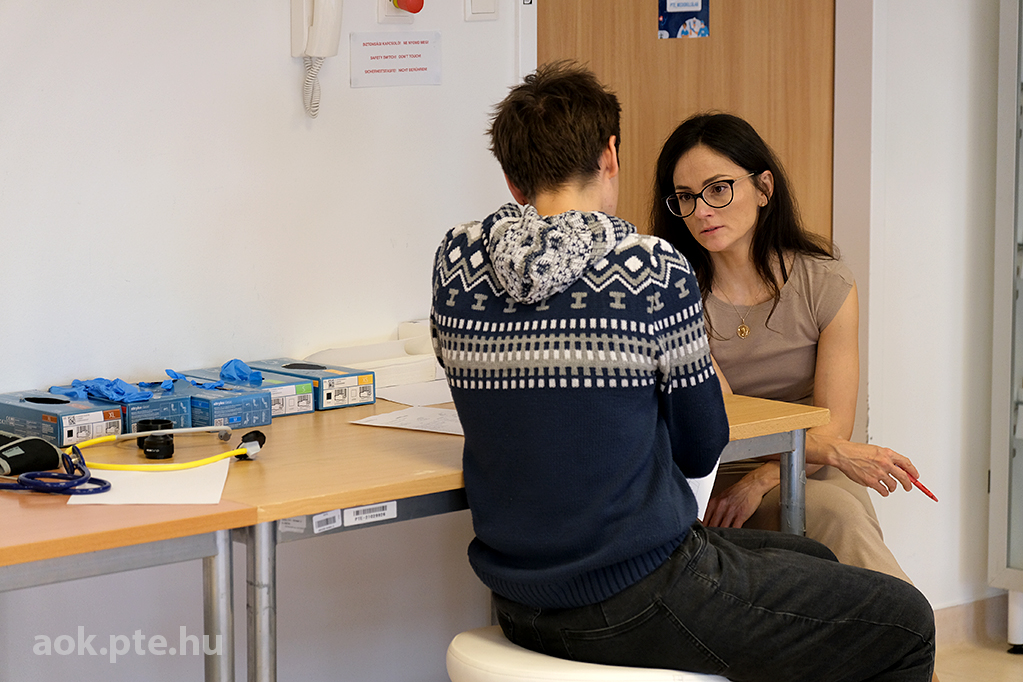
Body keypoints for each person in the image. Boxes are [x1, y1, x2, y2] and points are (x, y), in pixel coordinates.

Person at [431, 62, 935, 681]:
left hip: (518, 595)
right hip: (636, 592)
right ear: (610, 156)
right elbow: (702, 443)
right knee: (907, 621)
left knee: (808, 555)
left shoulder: (455, 262)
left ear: (512, 181)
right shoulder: (650, 269)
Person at [649, 112, 921, 584]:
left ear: (764, 188)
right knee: (840, 515)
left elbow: (835, 424)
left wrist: (764, 479)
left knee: (841, 511)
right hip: (718, 469)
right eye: (686, 197)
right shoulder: (672, 290)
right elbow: (722, 419)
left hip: (813, 462)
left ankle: (902, 630)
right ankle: (909, 630)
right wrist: (756, 475)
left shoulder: (826, 282)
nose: (702, 211)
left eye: (718, 189)